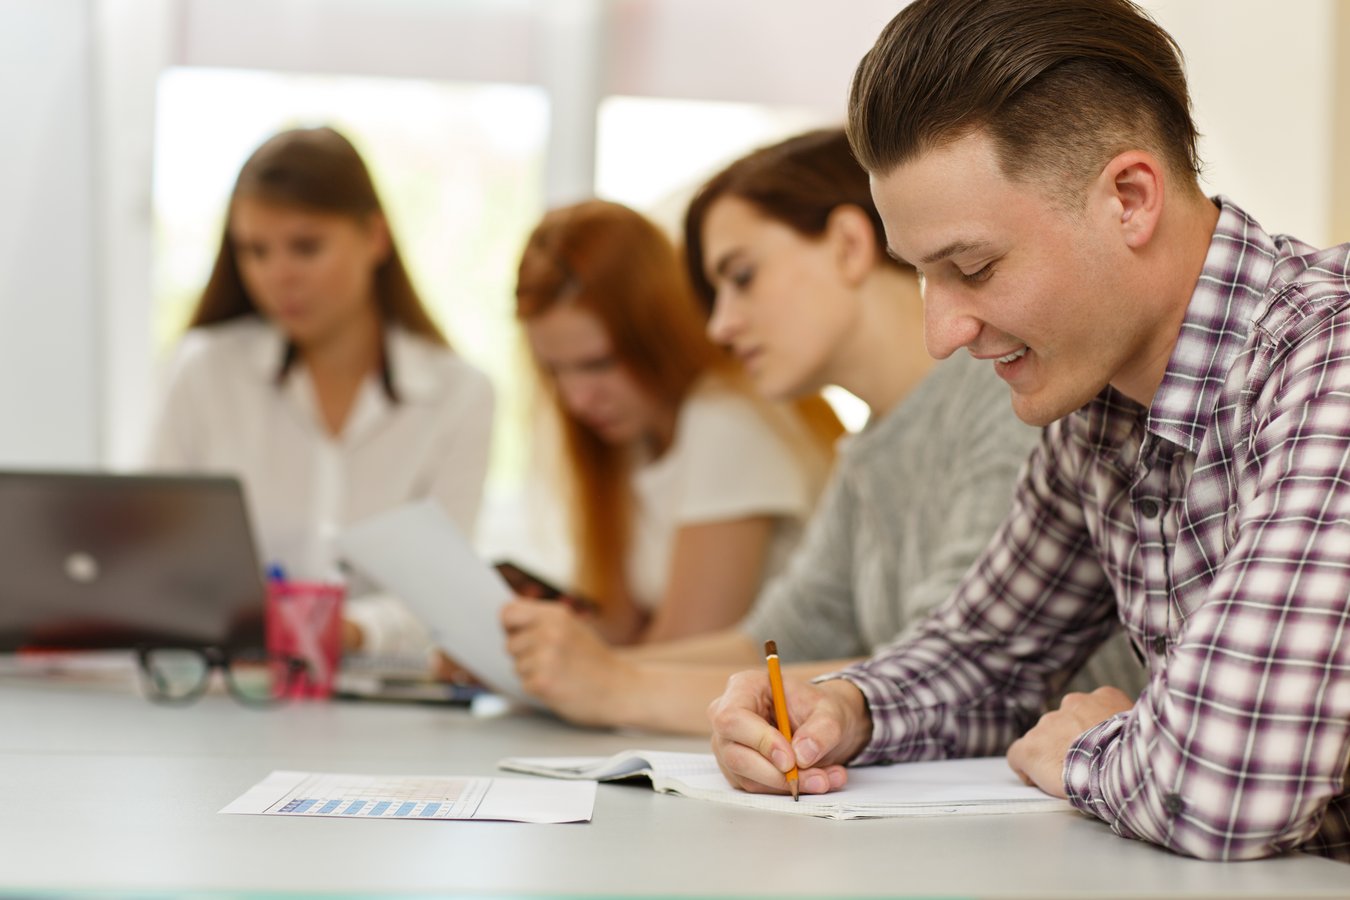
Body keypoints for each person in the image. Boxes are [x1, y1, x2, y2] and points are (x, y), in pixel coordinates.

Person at [707, 0, 1350, 864]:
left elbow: (1222, 791)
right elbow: (990, 652)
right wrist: (839, 711)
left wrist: (1078, 752)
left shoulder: (1329, 360)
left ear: (1129, 199)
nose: (943, 333)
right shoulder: (1098, 405)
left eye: (973, 268)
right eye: (925, 277)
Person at [501, 129, 1146, 731]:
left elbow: (947, 672)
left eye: (742, 277)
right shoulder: (869, 448)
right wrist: (567, 668)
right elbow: (773, 641)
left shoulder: (1011, 402)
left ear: (847, 245)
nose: (721, 326)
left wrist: (616, 686)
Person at [147, 126, 494, 660]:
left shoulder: (459, 395)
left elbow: (447, 599)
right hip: (230, 691)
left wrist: (340, 630)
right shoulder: (205, 370)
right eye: (255, 251)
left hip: (383, 706)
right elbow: (153, 558)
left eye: (306, 247)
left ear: (374, 238)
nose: (277, 275)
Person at [509, 199, 837, 647]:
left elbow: (679, 650)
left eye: (598, 363)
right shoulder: (633, 435)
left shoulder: (727, 420)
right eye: (555, 370)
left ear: (658, 333)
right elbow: (622, 634)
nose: (576, 399)